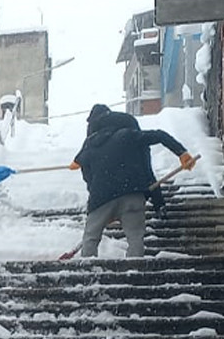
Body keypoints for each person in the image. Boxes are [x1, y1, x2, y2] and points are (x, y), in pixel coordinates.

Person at [69, 104, 194, 258]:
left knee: (91, 237)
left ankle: (87, 271)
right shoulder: (129, 135)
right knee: (135, 238)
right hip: (132, 195)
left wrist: (104, 200)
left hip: (101, 198)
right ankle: (134, 270)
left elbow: (87, 174)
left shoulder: (89, 144)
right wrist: (181, 153)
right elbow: (159, 137)